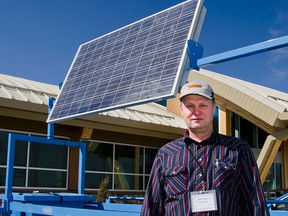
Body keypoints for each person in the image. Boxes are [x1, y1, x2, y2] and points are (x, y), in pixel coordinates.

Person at [140, 80, 269, 215]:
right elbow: (152, 206)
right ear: (181, 110)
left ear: (214, 107)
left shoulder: (238, 149)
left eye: (203, 105)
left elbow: (254, 202)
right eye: (190, 106)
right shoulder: (165, 154)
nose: (196, 111)